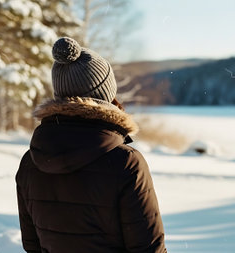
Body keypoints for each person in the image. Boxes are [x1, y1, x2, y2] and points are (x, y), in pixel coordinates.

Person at [16, 37, 166, 253]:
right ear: (105, 94)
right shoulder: (126, 163)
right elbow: (149, 249)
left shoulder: (30, 161)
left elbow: (32, 246)